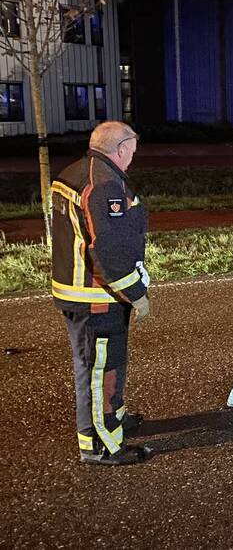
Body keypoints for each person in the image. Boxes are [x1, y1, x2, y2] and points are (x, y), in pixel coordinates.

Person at [51, 121, 151, 466]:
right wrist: (135, 293)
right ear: (120, 149)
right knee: (99, 370)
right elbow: (108, 248)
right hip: (96, 296)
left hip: (81, 288)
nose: (133, 159)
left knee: (106, 364)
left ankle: (113, 416)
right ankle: (100, 444)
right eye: (132, 152)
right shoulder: (104, 184)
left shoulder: (73, 172)